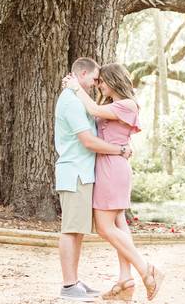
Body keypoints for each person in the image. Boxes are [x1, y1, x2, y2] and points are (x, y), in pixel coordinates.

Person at [64, 62, 164, 301]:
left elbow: (94, 112)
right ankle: (125, 280)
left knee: (105, 227)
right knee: (119, 223)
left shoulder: (127, 105)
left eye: (102, 81)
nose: (99, 85)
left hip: (113, 169)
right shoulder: (111, 105)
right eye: (97, 81)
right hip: (107, 166)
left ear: (114, 80)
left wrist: (76, 87)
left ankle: (146, 269)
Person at [55, 57, 132, 302]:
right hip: (75, 172)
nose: (98, 83)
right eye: (96, 78)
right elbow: (88, 141)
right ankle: (68, 286)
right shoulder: (71, 101)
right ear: (83, 73)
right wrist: (120, 150)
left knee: (77, 230)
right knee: (70, 230)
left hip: (83, 173)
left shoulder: (79, 99)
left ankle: (74, 282)